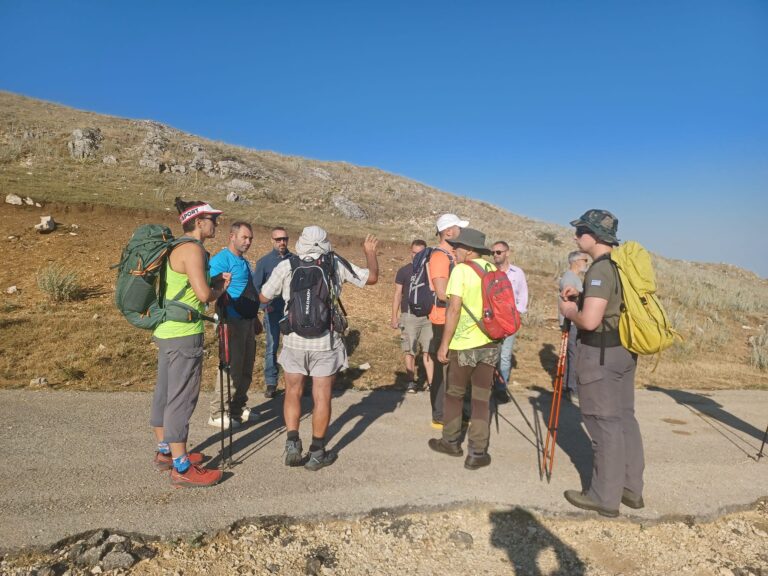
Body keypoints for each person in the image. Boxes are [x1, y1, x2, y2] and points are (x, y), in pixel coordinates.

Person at [258, 226, 379, 471]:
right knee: (322, 396)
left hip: (294, 341)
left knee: (292, 391)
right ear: (325, 242)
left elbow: (263, 297)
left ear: (301, 242)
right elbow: (372, 278)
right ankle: (317, 452)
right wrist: (369, 252)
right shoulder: (334, 264)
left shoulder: (288, 265)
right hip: (325, 343)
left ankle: (293, 443)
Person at [558, 209, 645, 517]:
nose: (575, 236)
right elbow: (611, 304)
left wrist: (570, 310)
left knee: (604, 424)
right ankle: (631, 489)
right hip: (623, 352)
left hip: (600, 356)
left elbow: (590, 321)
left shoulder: (599, 270)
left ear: (593, 235)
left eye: (580, 230)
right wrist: (582, 294)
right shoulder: (620, 265)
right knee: (624, 419)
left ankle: (604, 497)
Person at [151, 198, 231, 488]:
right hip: (184, 333)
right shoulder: (193, 249)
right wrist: (220, 288)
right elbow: (203, 295)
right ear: (198, 222)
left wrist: (211, 280)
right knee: (181, 398)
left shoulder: (175, 247)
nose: (216, 224)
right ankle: (182, 467)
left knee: (165, 392)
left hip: (166, 329)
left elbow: (185, 285)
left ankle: (165, 452)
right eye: (212, 219)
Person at [428, 227, 497, 470]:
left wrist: (444, 344)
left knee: (454, 395)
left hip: (464, 345)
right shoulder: (493, 270)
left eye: (457, 247)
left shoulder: (461, 270)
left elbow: (454, 309)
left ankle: (450, 442)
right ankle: (477, 453)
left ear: (468, 250)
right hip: (489, 344)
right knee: (481, 399)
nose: (454, 250)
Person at [207, 221, 259, 428]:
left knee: (246, 367)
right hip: (231, 320)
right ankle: (217, 412)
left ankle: (237, 408)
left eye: (250, 238)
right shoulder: (221, 260)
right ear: (232, 237)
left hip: (247, 321)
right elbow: (210, 288)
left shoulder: (244, 262)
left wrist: (255, 319)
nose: (248, 242)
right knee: (231, 368)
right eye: (244, 237)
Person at [427, 213, 469, 429]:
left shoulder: (453, 255)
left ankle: (455, 411)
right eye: (459, 228)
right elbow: (442, 292)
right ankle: (440, 414)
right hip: (442, 319)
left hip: (454, 317)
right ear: (449, 232)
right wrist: (467, 299)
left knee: (455, 369)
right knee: (443, 369)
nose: (462, 232)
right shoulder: (440, 257)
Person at [253, 226, 293, 399]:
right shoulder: (264, 262)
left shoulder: (295, 260)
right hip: (273, 311)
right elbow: (256, 287)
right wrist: (264, 307)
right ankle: (271, 382)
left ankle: (293, 383)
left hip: (292, 313)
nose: (282, 242)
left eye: (284, 239)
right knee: (272, 347)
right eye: (278, 239)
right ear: (272, 241)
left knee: (292, 347)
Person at [391, 239, 434, 393]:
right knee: (410, 350)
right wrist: (394, 316)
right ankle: (410, 382)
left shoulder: (430, 270)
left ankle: (432, 383)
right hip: (409, 315)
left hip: (428, 316)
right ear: (411, 252)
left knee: (428, 350)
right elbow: (397, 294)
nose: (416, 256)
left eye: (420, 253)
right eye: (414, 253)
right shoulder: (404, 271)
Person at [490, 241, 528, 385]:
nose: (495, 255)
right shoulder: (489, 272)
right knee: (491, 354)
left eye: (498, 252)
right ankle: (488, 385)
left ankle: (501, 387)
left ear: (507, 253)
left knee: (505, 356)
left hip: (510, 320)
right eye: (493, 252)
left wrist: (516, 314)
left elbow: (522, 295)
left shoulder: (517, 273)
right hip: (492, 320)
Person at [558, 250, 589, 399]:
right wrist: (577, 293)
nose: (586, 263)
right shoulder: (570, 278)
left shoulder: (573, 277)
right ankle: (572, 388)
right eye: (585, 260)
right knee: (573, 354)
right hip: (570, 322)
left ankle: (566, 386)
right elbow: (568, 292)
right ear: (576, 262)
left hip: (571, 321)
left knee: (571, 354)